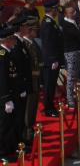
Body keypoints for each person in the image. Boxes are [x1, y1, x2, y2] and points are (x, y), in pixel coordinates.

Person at [9, 17, 32, 147]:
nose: (27, 28)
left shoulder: (20, 42)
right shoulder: (16, 44)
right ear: (19, 28)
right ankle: (18, 142)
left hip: (23, 85)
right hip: (18, 87)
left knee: (21, 115)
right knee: (18, 117)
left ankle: (21, 139)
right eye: (25, 26)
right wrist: (21, 86)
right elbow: (17, 67)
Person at [40, 0, 64, 117]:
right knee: (49, 85)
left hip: (53, 59)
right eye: (56, 9)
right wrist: (53, 59)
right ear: (52, 9)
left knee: (52, 84)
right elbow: (49, 44)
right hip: (50, 60)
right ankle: (48, 108)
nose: (57, 11)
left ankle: (50, 106)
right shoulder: (48, 23)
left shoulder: (50, 22)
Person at [0, 26, 20, 162]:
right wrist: (6, 99)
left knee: (10, 124)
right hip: (5, 96)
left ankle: (9, 149)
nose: (14, 41)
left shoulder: (7, 53)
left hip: (11, 93)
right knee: (4, 126)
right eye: (12, 38)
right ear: (6, 40)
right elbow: (3, 79)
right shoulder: (2, 55)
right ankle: (3, 152)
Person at [61, 5, 80, 108]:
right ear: (66, 14)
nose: (73, 14)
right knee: (70, 76)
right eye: (71, 12)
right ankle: (70, 99)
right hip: (70, 52)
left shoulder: (72, 22)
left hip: (75, 51)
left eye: (74, 12)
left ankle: (74, 93)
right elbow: (77, 35)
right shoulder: (66, 24)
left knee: (74, 74)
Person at [21, 18, 41, 143]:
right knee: (28, 109)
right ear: (29, 30)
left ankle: (30, 131)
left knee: (33, 107)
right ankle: (27, 135)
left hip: (35, 81)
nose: (37, 33)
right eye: (35, 30)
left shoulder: (32, 43)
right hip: (29, 81)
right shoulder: (25, 44)